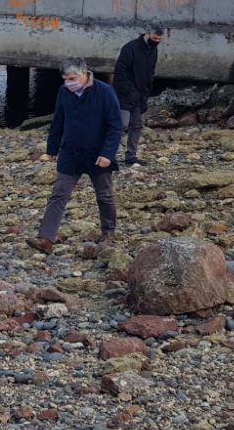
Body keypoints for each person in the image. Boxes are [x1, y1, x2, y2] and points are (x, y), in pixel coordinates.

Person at [26, 57, 123, 255]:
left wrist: (107, 153)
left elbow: (115, 125)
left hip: (98, 153)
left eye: (72, 78)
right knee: (59, 194)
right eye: (65, 79)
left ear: (84, 73)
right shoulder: (64, 92)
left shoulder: (104, 92)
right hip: (70, 151)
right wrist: (52, 149)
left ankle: (108, 231)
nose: (69, 82)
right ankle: (46, 238)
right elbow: (58, 120)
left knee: (104, 195)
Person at [112, 21, 165, 166]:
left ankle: (131, 156)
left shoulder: (153, 50)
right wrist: (130, 91)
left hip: (141, 95)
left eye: (160, 40)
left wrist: (146, 93)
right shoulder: (130, 48)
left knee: (138, 124)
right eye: (155, 38)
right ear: (148, 33)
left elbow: (150, 73)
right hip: (124, 95)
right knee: (121, 125)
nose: (157, 42)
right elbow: (120, 73)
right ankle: (108, 156)